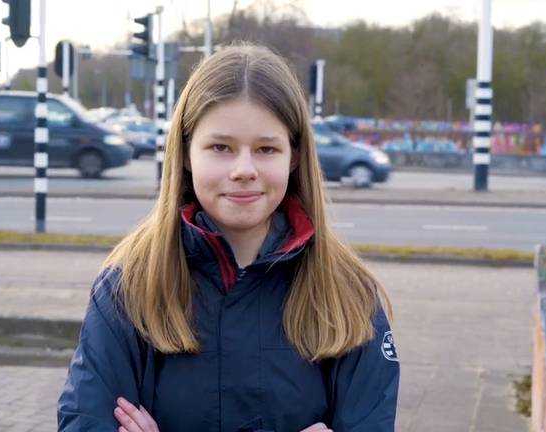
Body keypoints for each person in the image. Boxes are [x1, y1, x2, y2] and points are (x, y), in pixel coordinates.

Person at [57, 42, 399, 432]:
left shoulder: (349, 295)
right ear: (186, 152)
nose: (243, 169)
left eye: (266, 149)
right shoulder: (128, 289)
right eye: (221, 147)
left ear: (294, 156)